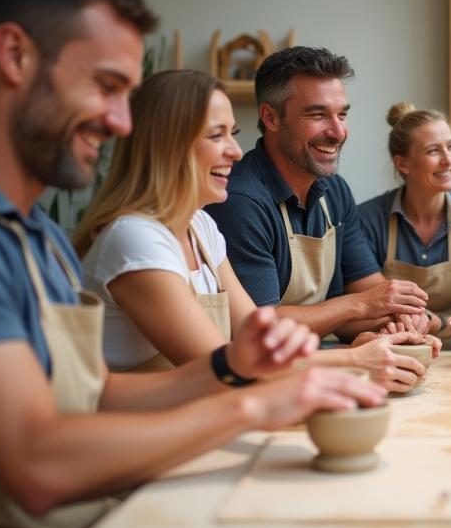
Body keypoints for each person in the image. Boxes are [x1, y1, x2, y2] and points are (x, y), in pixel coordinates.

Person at [0, 0, 384, 528]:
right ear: (14, 55)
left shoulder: (40, 238)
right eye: (105, 85)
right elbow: (35, 462)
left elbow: (101, 395)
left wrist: (232, 364)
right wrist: (248, 402)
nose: (120, 122)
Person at [74, 70, 429, 392]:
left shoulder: (200, 226)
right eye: (217, 136)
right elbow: (222, 368)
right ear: (168, 148)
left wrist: (368, 344)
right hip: (136, 439)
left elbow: (259, 337)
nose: (236, 152)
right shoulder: (135, 238)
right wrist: (353, 362)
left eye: (234, 134)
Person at [206, 47, 431, 342]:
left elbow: (366, 291)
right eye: (318, 115)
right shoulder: (240, 200)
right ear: (271, 117)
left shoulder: (335, 190)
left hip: (313, 362)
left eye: (342, 115)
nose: (338, 132)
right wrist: (361, 305)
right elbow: (260, 325)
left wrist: (404, 316)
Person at [358, 102, 451, 344]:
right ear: (402, 163)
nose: (449, 160)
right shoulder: (367, 219)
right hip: (390, 347)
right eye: (433, 151)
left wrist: (442, 324)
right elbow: (363, 303)